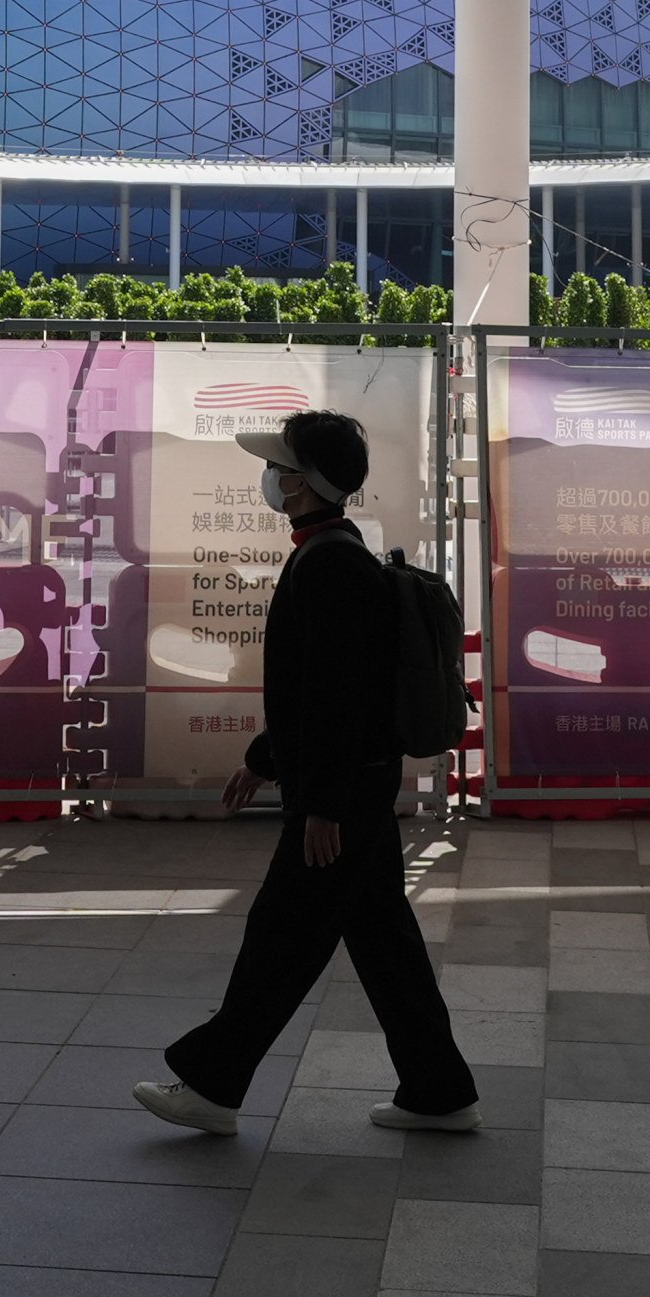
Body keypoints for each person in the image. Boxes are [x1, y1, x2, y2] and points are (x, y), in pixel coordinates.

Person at [136, 408, 479, 1138]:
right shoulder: (336, 551)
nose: (270, 476)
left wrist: (318, 803)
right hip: (355, 780)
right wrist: (265, 761)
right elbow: (314, 693)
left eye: (281, 466)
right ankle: (438, 1089)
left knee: (281, 936)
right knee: (383, 941)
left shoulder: (327, 565)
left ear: (301, 483)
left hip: (341, 792)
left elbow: (335, 696)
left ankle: (212, 1084)